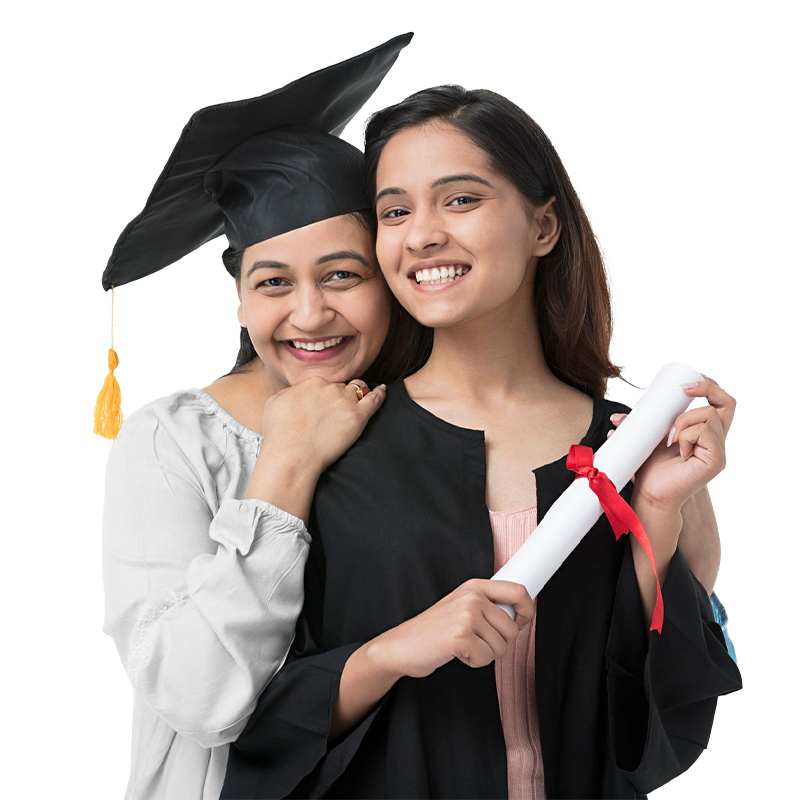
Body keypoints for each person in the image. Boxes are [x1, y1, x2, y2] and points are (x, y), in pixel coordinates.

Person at [222, 85, 743, 800]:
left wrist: (659, 509)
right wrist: (390, 653)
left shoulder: (633, 446)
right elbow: (255, 722)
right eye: (395, 210)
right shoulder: (335, 449)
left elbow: (658, 722)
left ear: (544, 227)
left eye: (460, 200)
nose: (422, 233)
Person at [100, 34, 412, 800]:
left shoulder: (423, 412)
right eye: (273, 283)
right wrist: (286, 467)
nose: (310, 314)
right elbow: (198, 700)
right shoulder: (174, 442)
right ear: (238, 297)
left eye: (344, 275)